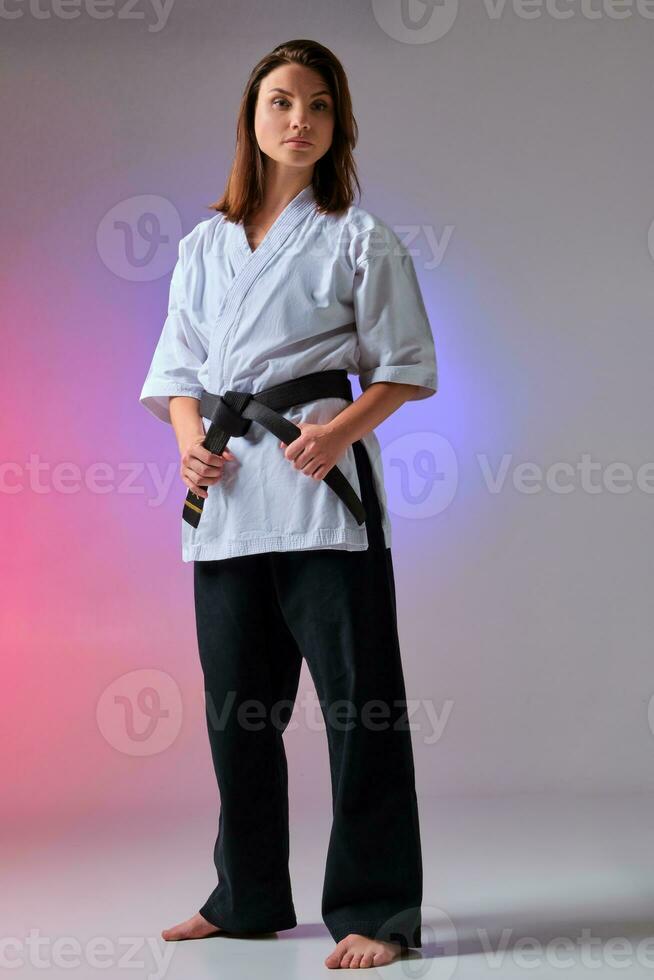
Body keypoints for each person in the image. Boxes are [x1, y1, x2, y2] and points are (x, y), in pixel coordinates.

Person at [139, 38, 438, 971]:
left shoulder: (359, 235)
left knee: (362, 713)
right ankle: (247, 897)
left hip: (323, 500)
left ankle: (376, 910)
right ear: (254, 117)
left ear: (337, 122)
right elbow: (178, 370)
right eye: (281, 102)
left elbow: (406, 367)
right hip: (227, 504)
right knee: (240, 715)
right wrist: (189, 443)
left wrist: (342, 431)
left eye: (318, 105)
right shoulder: (203, 243)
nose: (299, 120)